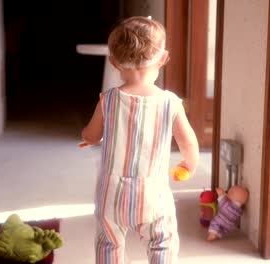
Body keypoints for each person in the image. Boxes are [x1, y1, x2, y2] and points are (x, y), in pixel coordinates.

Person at [81, 16, 199, 264]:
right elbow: (187, 141)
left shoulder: (109, 99)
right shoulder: (170, 102)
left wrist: (88, 138)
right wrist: (189, 164)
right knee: (162, 242)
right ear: (164, 58)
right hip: (152, 193)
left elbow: (91, 135)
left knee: (108, 243)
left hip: (110, 193)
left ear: (113, 62)